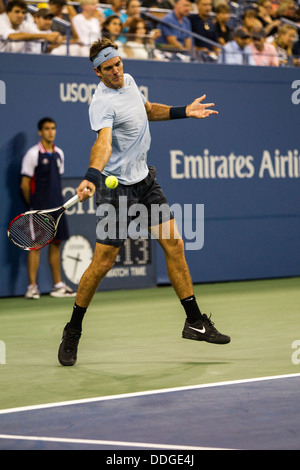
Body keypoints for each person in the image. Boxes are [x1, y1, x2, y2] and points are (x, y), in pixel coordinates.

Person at [57, 37, 231, 367]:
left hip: (145, 182)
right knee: (103, 263)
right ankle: (73, 329)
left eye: (118, 64)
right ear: (98, 72)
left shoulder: (131, 82)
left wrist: (184, 112)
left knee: (175, 244)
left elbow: (148, 111)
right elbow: (103, 144)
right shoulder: (101, 103)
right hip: (115, 191)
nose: (117, 71)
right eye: (109, 69)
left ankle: (194, 321)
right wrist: (92, 176)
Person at [20, 118, 76, 300]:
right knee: (35, 247)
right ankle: (32, 287)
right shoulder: (33, 154)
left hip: (57, 208)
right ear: (40, 132)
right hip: (39, 209)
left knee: (56, 244)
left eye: (53, 128)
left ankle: (58, 285)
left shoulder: (59, 153)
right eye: (47, 129)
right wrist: (34, 205)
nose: (51, 132)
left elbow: (57, 181)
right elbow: (25, 184)